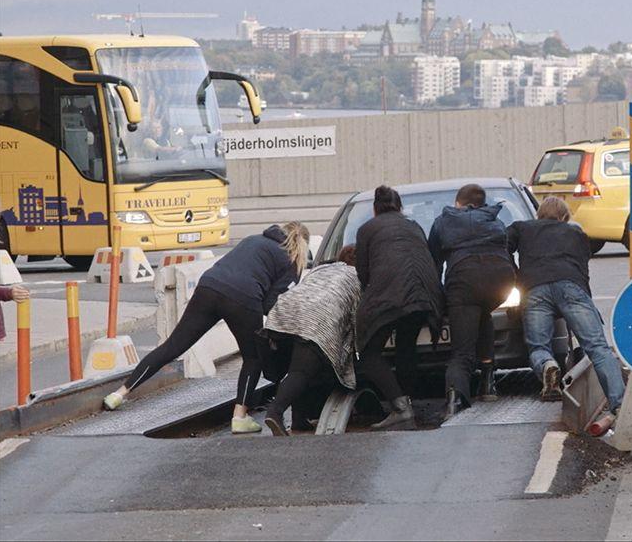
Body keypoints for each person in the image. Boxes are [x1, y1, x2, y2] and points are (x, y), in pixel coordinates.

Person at [103, 222, 309, 434]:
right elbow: (272, 303)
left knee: (174, 346)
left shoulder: (253, 239)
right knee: (253, 358)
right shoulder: (291, 260)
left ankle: (119, 394)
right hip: (245, 298)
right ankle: (240, 417)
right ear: (302, 245)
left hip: (209, 285)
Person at [507, 197, 626, 435]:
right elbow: (584, 259)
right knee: (598, 348)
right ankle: (620, 406)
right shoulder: (575, 232)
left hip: (535, 288)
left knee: (539, 346)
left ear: (538, 215)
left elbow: (502, 246)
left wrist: (517, 273)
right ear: (564, 217)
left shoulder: (522, 228)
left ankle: (548, 365)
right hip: (571, 286)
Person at [355, 186, 444, 431]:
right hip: (426, 295)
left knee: (369, 354)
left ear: (375, 208)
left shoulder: (367, 230)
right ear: (400, 207)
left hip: (390, 295)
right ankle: (409, 403)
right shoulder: (414, 226)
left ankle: (400, 408)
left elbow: (363, 272)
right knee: (407, 348)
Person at [428, 183, 515, 419]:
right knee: (483, 311)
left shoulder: (442, 222)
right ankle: (488, 382)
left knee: (462, 351)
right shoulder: (494, 220)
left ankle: (455, 397)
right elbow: (507, 252)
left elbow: (433, 263)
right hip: (501, 282)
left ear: (459, 203)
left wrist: (437, 296)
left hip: (465, 283)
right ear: (481, 204)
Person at [262, 245, 361, 436]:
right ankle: (275, 412)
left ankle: (299, 419)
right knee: (302, 372)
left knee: (295, 368)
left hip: (283, 314)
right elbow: (355, 320)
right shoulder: (356, 277)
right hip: (315, 319)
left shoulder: (321, 270)